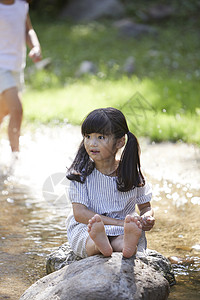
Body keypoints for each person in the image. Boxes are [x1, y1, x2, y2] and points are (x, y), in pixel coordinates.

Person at [66, 107, 155, 259]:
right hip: (88, 226)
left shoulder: (130, 172)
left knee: (126, 238)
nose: (92, 143)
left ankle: (125, 246)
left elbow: (145, 206)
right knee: (89, 238)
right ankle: (99, 244)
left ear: (120, 142)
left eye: (100, 137)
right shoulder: (81, 174)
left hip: (124, 229)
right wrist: (118, 223)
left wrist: (147, 217)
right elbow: (80, 214)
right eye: (88, 136)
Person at [0, 0, 41, 155]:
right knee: (17, 110)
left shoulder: (21, 5)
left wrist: (35, 46)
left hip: (16, 67)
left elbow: (28, 30)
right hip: (0, 67)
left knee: (3, 112)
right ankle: (15, 158)